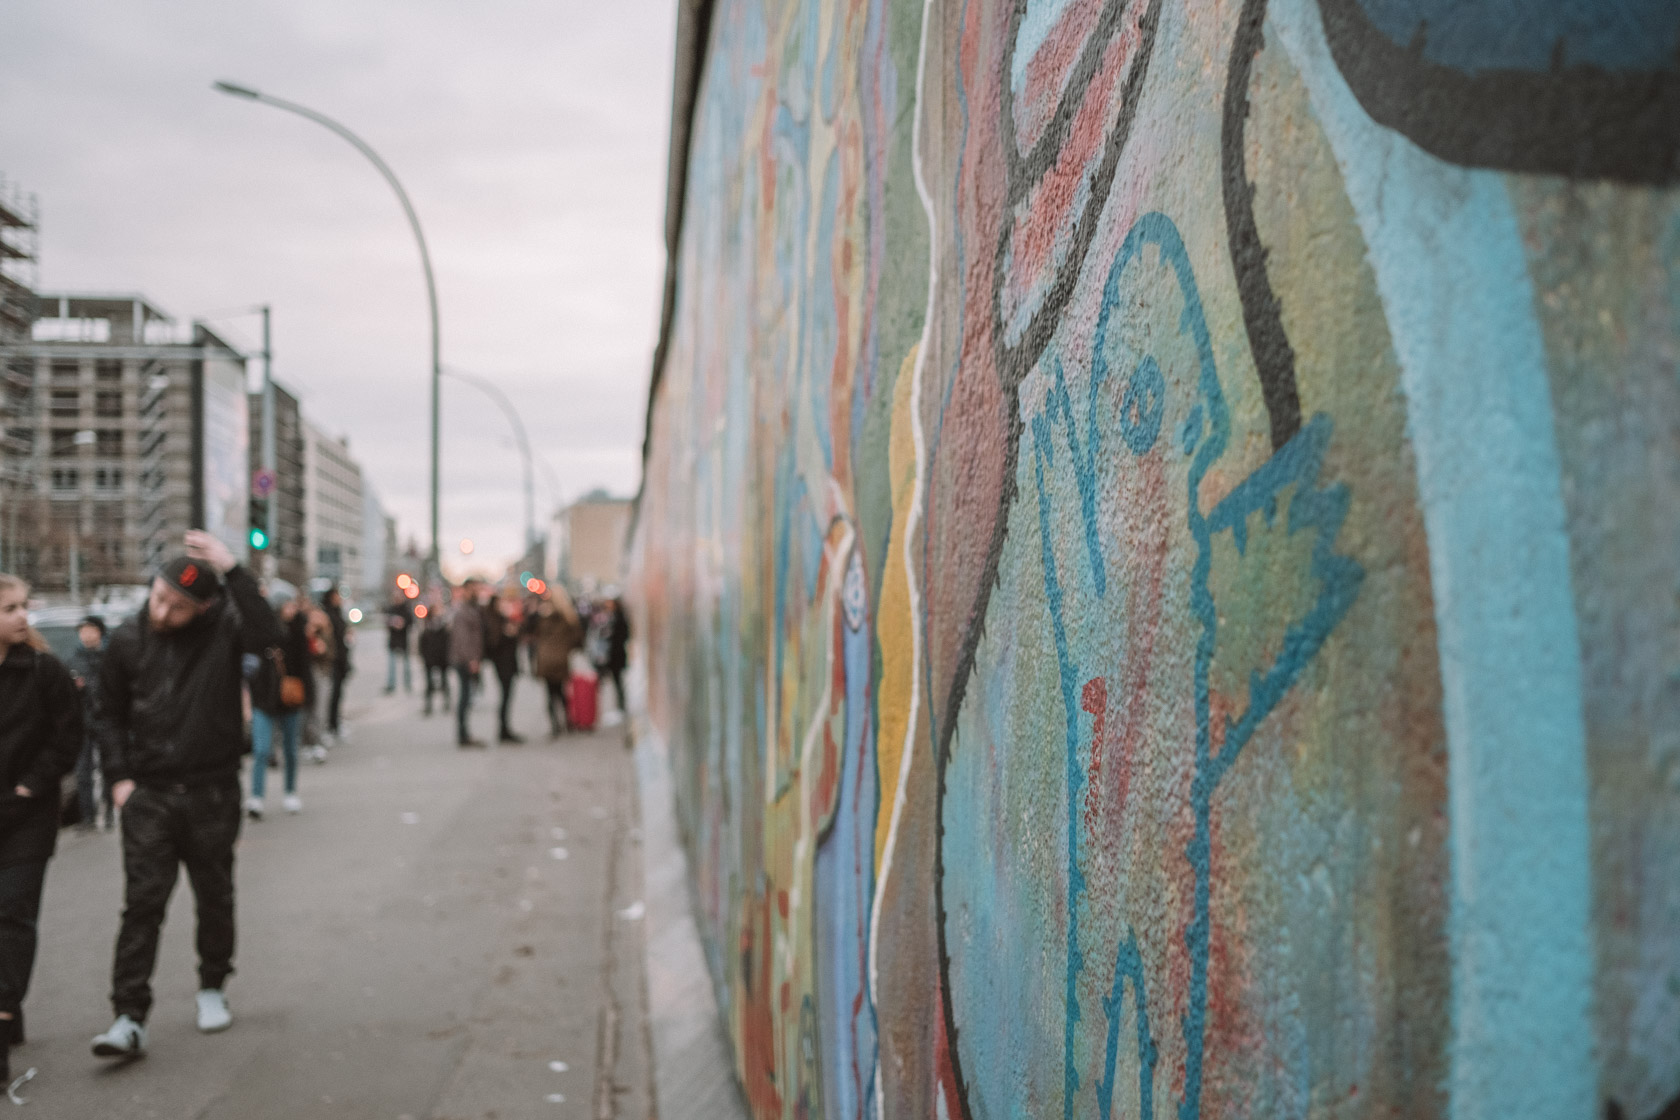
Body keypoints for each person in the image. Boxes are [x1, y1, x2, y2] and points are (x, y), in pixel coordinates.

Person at [90, 530, 281, 1060]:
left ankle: (212, 987)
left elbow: (268, 633)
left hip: (211, 791)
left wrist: (233, 568)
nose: (163, 610)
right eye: (159, 596)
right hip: (148, 794)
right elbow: (108, 715)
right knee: (142, 906)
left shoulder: (223, 629)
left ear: (202, 607)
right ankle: (128, 1017)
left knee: (214, 895)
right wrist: (120, 780)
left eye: (177, 606)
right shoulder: (128, 639)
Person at [0, 574, 83, 1084]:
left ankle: (3, 1017)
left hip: (28, 813)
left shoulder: (43, 670)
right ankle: (11, 1010)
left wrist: (32, 785)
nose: (23, 616)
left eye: (24, 606)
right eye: (10, 608)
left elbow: (69, 733)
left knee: (12, 913)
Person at [246, 583, 311, 819]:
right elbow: (251, 666)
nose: (293, 608)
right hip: (264, 699)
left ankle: (290, 792)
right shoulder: (261, 633)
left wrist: (308, 697)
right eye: (289, 603)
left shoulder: (297, 630)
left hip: (291, 699)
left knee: (290, 750)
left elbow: (304, 667)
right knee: (261, 750)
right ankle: (256, 796)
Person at [67, 615, 113, 831]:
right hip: (81, 723)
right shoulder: (73, 661)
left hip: (106, 720)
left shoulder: (110, 658)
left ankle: (111, 812)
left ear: (100, 632)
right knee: (83, 771)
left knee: (109, 767)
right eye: (83, 630)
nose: (86, 634)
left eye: (91, 629)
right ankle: (88, 817)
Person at [532, 586, 584, 738]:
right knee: (561, 692)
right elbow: (577, 638)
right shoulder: (568, 616)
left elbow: (534, 632)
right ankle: (568, 722)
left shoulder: (544, 616)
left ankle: (555, 725)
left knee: (550, 692)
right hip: (561, 658)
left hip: (546, 658)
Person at [449, 579, 488, 748]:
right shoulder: (463, 611)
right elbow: (463, 638)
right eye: (472, 589)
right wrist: (472, 659)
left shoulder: (472, 609)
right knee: (465, 697)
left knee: (467, 696)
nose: (475, 592)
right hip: (464, 660)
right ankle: (463, 734)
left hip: (467, 659)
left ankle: (464, 733)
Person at [488, 596, 524, 744]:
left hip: (507, 664)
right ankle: (503, 729)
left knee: (507, 697)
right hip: (504, 665)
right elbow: (495, 645)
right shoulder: (496, 623)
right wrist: (508, 634)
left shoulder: (502, 620)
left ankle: (505, 728)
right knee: (505, 697)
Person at [320, 587, 351, 746]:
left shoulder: (337, 612)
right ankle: (330, 725)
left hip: (340, 659)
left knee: (338, 694)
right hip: (333, 660)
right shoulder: (327, 614)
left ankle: (335, 723)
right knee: (330, 695)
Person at [597, 596, 631, 723]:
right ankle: (620, 706)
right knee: (616, 682)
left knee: (618, 682)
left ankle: (622, 707)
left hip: (616, 655)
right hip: (613, 655)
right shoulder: (611, 617)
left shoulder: (618, 618)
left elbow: (623, 635)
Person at [418, 601, 452, 717]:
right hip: (430, 658)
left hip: (442, 658)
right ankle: (428, 706)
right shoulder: (426, 626)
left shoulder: (444, 626)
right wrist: (424, 656)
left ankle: (447, 703)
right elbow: (422, 643)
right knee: (429, 684)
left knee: (444, 682)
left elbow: (448, 642)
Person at [383, 592, 412, 694]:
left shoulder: (406, 609)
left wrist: (403, 624)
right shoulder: (391, 609)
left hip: (403, 640)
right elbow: (386, 622)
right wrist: (392, 623)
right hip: (393, 640)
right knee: (392, 665)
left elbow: (411, 622)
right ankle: (391, 684)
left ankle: (408, 684)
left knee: (406, 665)